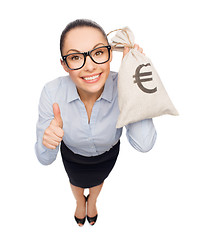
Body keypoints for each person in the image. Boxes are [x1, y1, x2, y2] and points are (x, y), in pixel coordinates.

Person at [35, 19, 157, 226]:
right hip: (72, 155)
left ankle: (92, 202)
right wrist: (47, 142)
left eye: (98, 53)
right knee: (76, 181)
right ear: (64, 65)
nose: (90, 66)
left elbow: (144, 144)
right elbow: (45, 159)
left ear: (110, 54)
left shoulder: (123, 84)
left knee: (98, 180)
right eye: (75, 57)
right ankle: (79, 203)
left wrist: (133, 84)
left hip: (107, 155)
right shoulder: (51, 92)